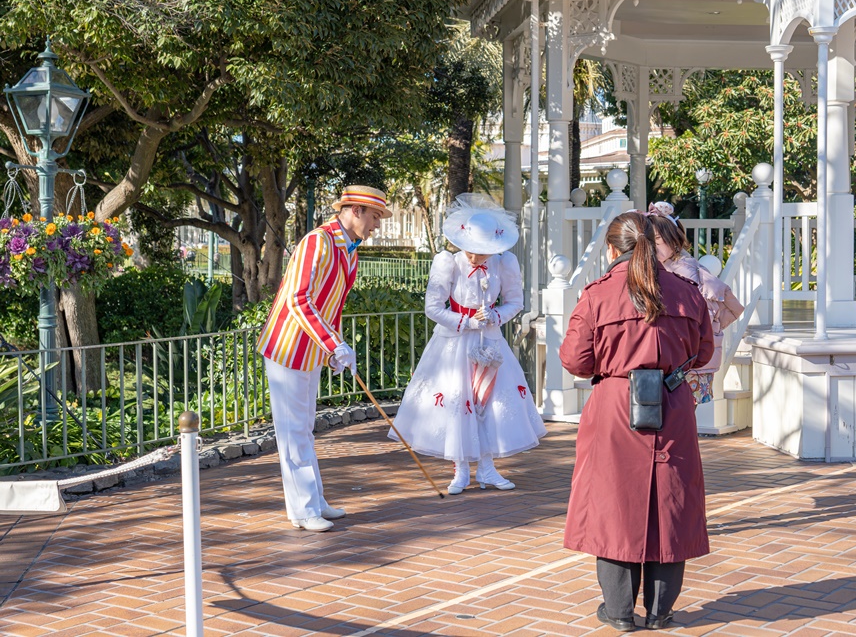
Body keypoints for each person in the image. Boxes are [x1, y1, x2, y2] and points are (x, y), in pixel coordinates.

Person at [559, 211, 714, 632]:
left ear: (612, 249)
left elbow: (575, 361)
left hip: (615, 405)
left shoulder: (597, 295)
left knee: (614, 505)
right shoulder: (687, 293)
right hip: (672, 403)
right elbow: (702, 353)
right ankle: (661, 613)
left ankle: (620, 613)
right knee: (670, 505)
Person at [389, 193, 546, 495]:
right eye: (473, 251)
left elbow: (515, 301)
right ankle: (460, 470)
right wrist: (466, 322)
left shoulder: (504, 263)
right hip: (454, 343)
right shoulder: (448, 263)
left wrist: (494, 316)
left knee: (489, 402)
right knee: (459, 402)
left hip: (490, 341)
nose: (477, 257)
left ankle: (487, 468)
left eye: (484, 252)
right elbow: (433, 308)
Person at [256, 185, 390, 532]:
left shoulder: (351, 251)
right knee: (293, 431)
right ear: (355, 210)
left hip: (312, 350)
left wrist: (336, 349)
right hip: (288, 347)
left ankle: (313, 499)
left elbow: (333, 306)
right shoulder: (318, 241)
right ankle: (302, 510)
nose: (377, 225)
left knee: (305, 429)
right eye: (375, 216)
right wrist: (333, 344)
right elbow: (298, 299)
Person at [644, 201, 744, 406]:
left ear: (674, 240)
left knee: (678, 416)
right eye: (648, 242)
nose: (652, 247)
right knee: (679, 418)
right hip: (689, 358)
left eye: (657, 241)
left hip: (689, 360)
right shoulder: (675, 266)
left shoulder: (683, 270)